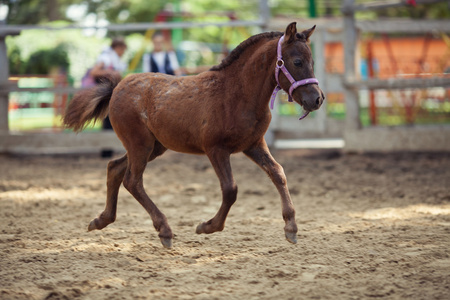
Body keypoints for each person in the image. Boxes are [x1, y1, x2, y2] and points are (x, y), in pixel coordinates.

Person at [90, 37, 127, 158]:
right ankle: (106, 151)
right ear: (118, 48)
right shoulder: (106, 58)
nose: (123, 53)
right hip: (106, 94)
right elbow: (94, 72)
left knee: (111, 121)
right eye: (123, 50)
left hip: (111, 94)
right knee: (107, 121)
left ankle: (108, 149)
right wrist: (111, 73)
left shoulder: (114, 59)